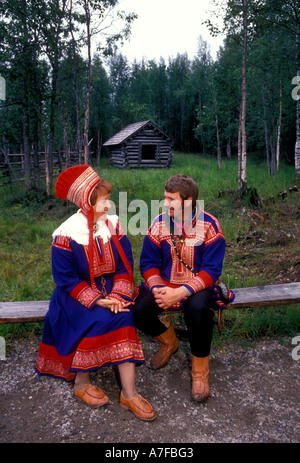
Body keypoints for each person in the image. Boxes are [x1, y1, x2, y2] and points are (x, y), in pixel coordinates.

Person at [36, 165, 156, 421]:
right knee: (99, 319)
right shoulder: (66, 234)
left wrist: (118, 297)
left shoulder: (113, 226)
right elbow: (65, 280)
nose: (109, 205)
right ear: (88, 203)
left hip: (113, 292)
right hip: (75, 297)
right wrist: (99, 300)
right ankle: (81, 383)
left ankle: (130, 394)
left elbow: (125, 266)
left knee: (123, 315)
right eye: (104, 200)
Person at [133, 174, 226, 402]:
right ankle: (170, 342)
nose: (165, 203)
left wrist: (181, 292)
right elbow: (148, 263)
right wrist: (157, 289)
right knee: (139, 310)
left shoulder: (210, 226)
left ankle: (200, 372)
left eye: (170, 199)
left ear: (189, 200)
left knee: (199, 310)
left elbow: (212, 270)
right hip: (164, 284)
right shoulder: (158, 224)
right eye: (165, 198)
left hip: (197, 286)